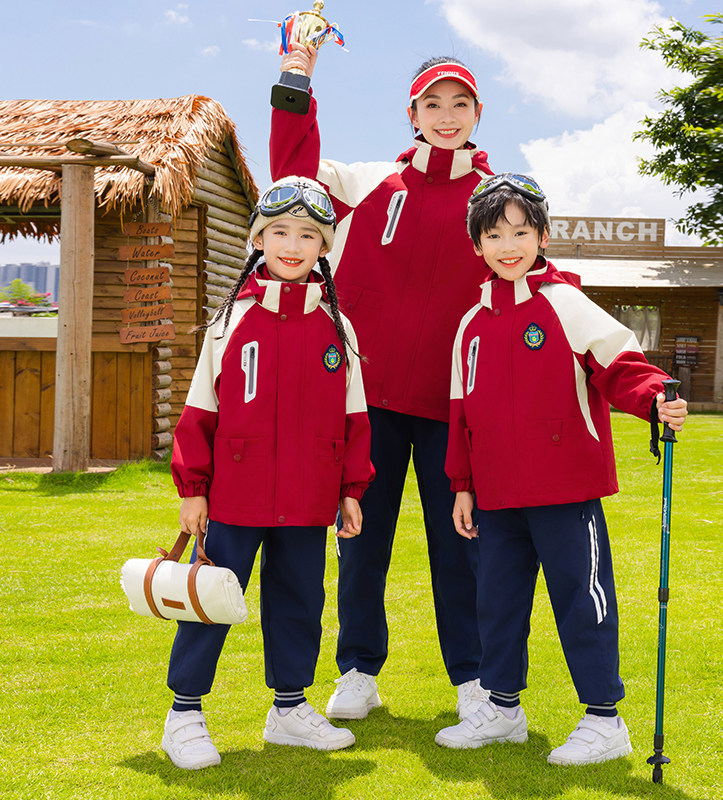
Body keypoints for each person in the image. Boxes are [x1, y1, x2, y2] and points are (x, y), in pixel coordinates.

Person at [270, 49, 494, 720]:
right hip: (364, 407)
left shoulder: (494, 200)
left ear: (477, 115)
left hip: (451, 408)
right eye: (433, 105)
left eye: (459, 105)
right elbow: (293, 175)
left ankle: (474, 681)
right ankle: (359, 670)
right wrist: (296, 78)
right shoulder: (370, 182)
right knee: (360, 543)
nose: (446, 117)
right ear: (413, 114)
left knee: (460, 549)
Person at [434, 174, 688, 764]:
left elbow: (620, 363)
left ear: (543, 236)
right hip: (496, 494)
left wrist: (654, 396)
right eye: (494, 234)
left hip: (565, 488)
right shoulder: (469, 324)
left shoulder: (564, 301)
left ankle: (604, 719)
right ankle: (501, 709)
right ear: (478, 246)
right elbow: (460, 413)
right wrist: (462, 486)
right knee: (496, 602)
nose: (508, 245)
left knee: (582, 597)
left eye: (521, 231)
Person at [162, 176, 374, 769]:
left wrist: (351, 491)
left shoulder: (340, 329)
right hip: (236, 496)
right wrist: (194, 490)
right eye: (279, 231)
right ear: (258, 237)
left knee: (301, 601)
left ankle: (288, 710)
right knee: (211, 600)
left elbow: (355, 417)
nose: (292, 244)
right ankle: (184, 714)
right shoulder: (229, 321)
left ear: (324, 247)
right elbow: (200, 410)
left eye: (309, 234)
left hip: (309, 500)